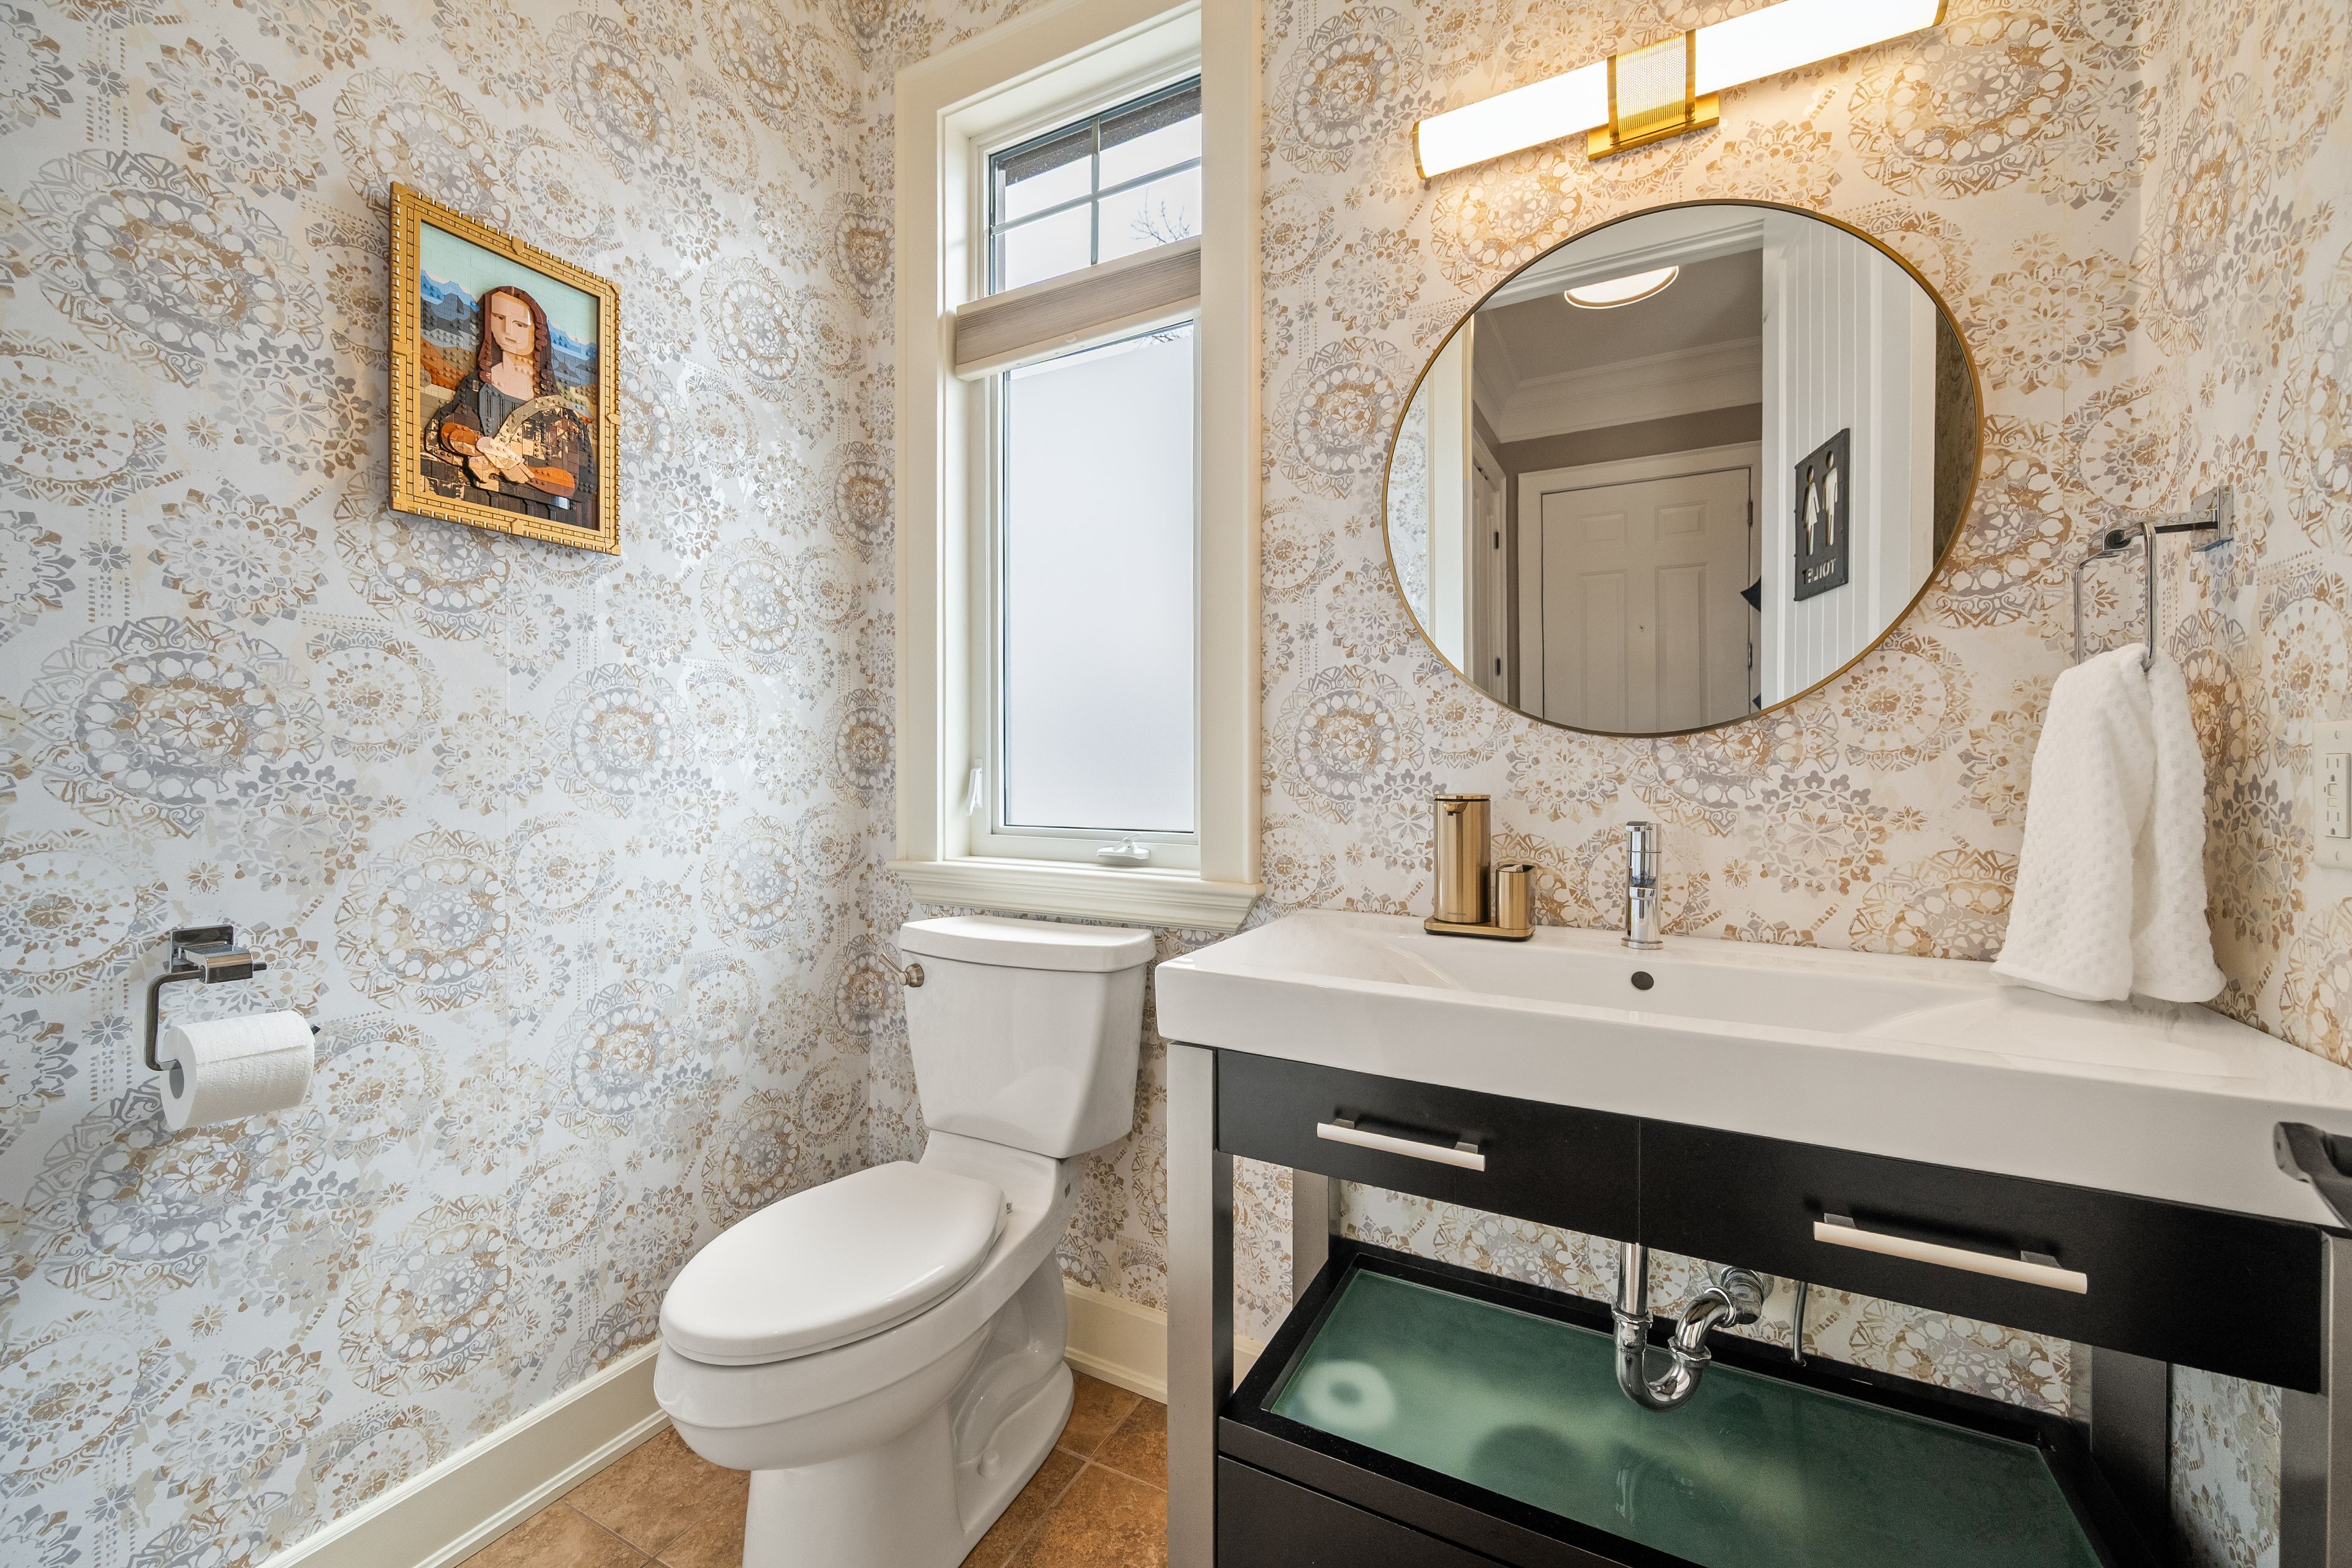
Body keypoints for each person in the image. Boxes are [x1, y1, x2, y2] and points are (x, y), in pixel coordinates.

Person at [431, 284, 595, 523]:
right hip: (473, 508)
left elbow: (573, 482)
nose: (507, 331)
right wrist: (486, 446)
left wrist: (520, 469)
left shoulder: (559, 410)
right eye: (499, 318)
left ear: (537, 332)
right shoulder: (477, 385)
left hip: (541, 517)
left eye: (519, 324)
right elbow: (446, 431)